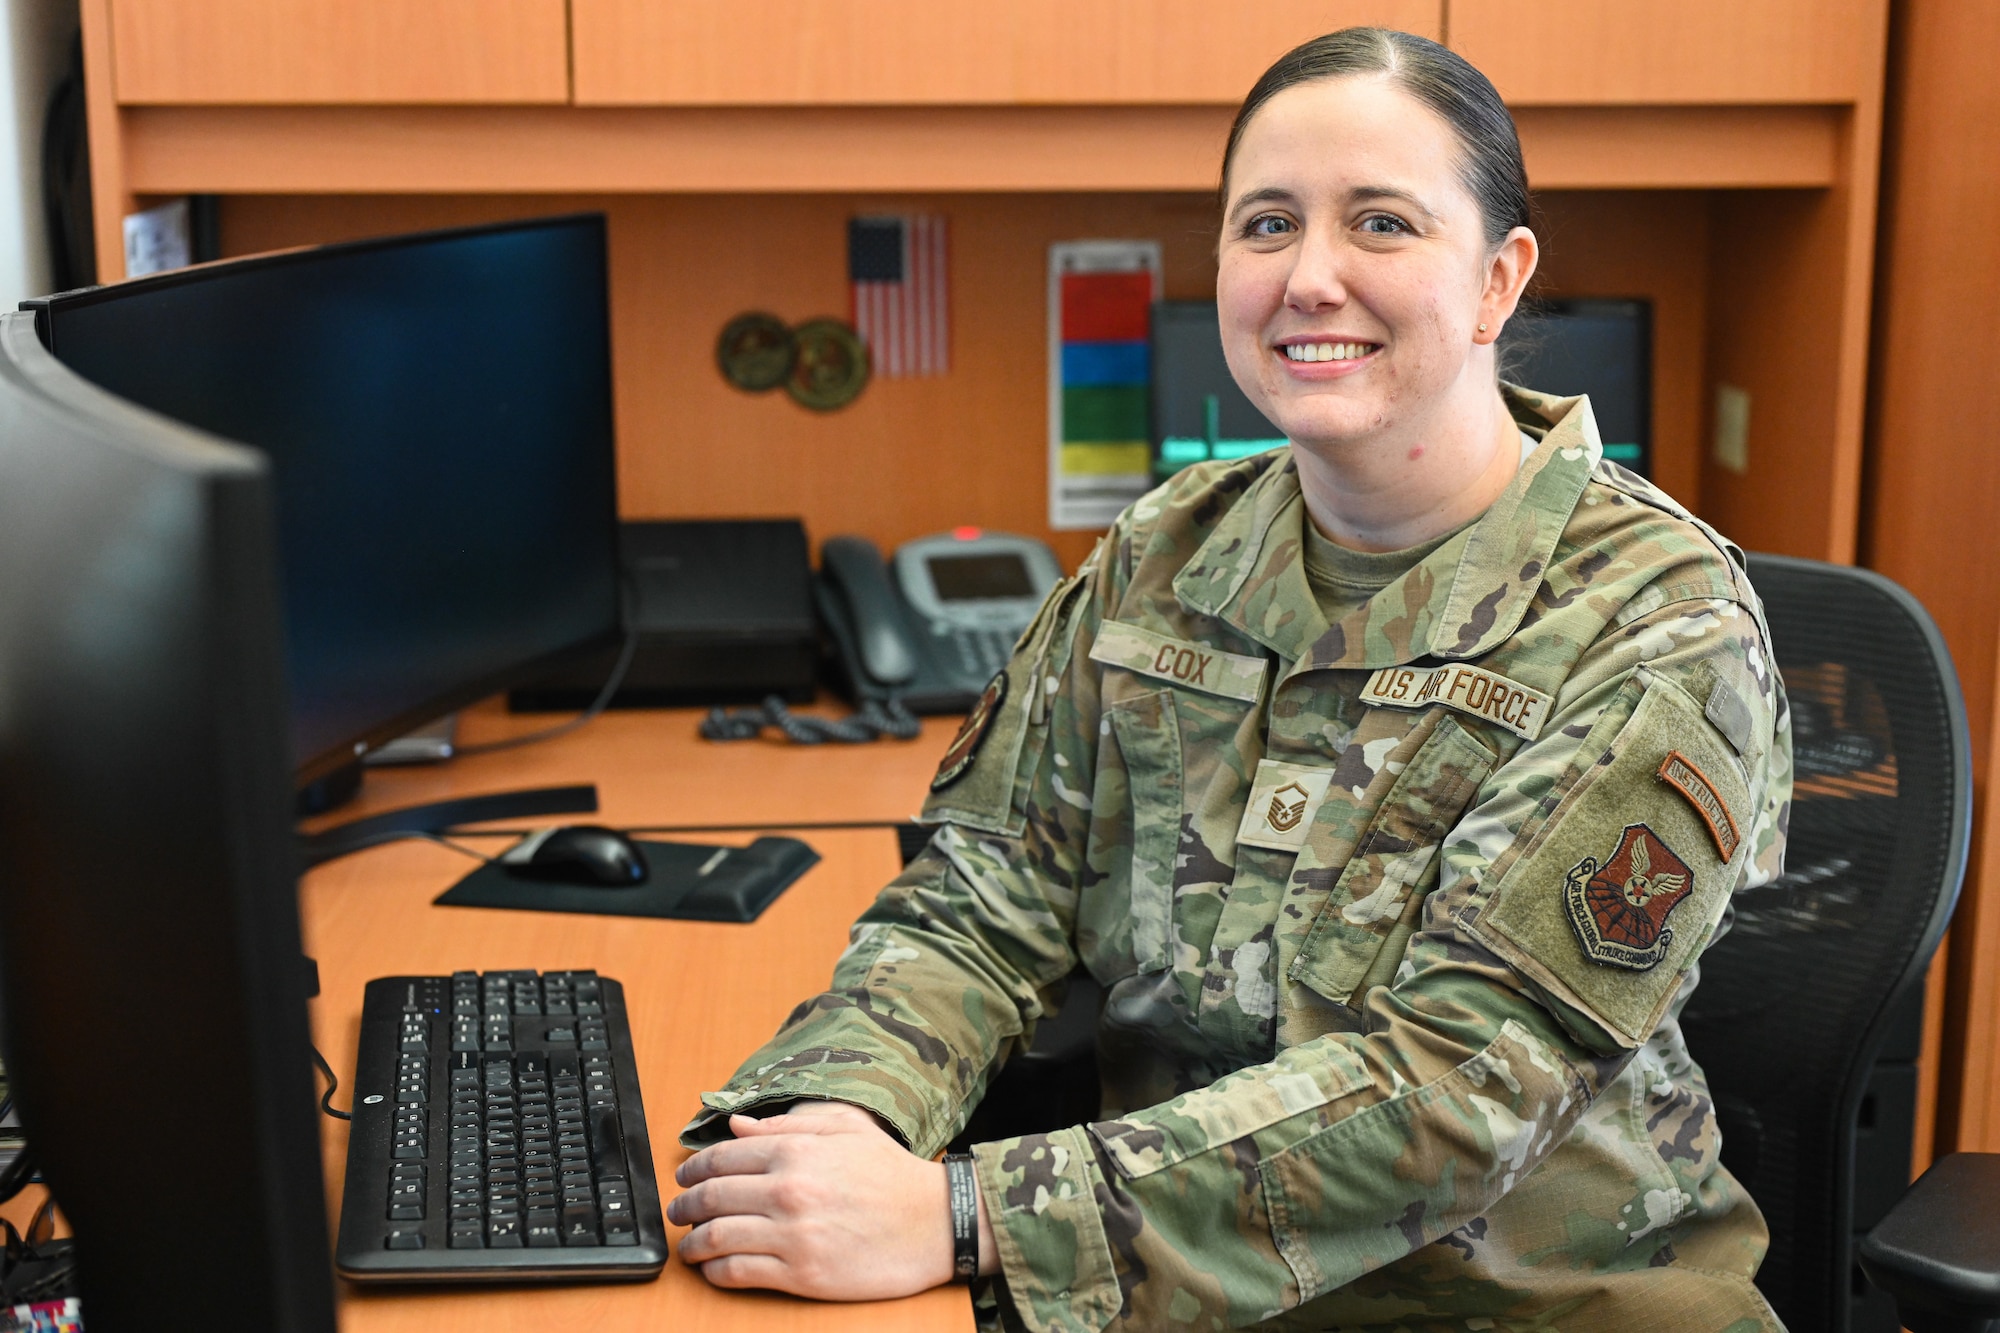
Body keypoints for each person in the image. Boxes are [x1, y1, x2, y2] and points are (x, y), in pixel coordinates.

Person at [668, 26, 1793, 1332]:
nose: (1310, 276)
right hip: (1157, 1291)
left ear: (1497, 280)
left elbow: (1456, 1094)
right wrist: (826, 1127)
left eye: (1379, 222)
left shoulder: (1656, 619)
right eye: (1267, 224)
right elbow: (976, 906)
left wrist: (963, 1214)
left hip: (1529, 1309)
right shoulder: (1166, 553)